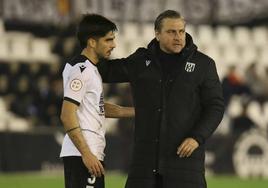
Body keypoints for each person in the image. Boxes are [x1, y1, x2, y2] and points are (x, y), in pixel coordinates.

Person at [97, 10, 225, 188]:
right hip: (145, 164)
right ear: (157, 34)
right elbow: (105, 71)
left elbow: (216, 107)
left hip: (185, 162)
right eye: (171, 32)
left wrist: (197, 137)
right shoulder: (141, 61)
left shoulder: (203, 64)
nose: (178, 36)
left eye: (181, 31)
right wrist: (94, 45)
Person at [60, 14, 134, 188]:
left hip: (88, 153)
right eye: (108, 40)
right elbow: (67, 114)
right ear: (92, 42)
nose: (113, 45)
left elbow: (96, 107)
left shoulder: (88, 68)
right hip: (83, 154)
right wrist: (86, 154)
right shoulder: (82, 70)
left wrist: (138, 111)